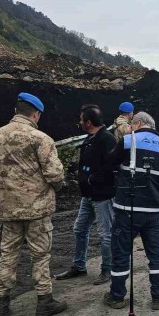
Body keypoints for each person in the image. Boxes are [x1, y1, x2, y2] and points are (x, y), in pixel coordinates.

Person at [0, 92, 68, 316]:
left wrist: (3, 186)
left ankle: (0, 303)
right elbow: (55, 174)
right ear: (36, 114)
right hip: (37, 209)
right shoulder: (40, 139)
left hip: (8, 209)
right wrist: (54, 187)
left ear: (15, 111)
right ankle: (44, 301)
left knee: (8, 254)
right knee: (40, 255)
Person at [103, 111, 159, 311]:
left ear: (138, 124)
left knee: (121, 252)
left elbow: (107, 165)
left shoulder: (127, 141)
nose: (130, 128)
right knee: (156, 254)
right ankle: (158, 296)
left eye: (132, 125)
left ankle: (117, 296)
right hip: (154, 211)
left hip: (126, 210)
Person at [54, 105, 117, 285]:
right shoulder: (90, 139)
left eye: (81, 120)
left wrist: (92, 179)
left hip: (102, 196)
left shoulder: (107, 139)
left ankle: (107, 269)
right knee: (79, 229)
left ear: (88, 123)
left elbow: (111, 166)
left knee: (105, 234)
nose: (79, 123)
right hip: (88, 195)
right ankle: (79, 266)